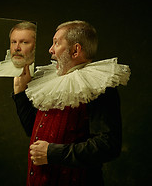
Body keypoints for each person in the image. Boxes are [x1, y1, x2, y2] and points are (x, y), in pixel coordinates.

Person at [12, 20, 130, 186]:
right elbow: (34, 130)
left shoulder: (100, 87)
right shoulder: (53, 81)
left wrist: (53, 153)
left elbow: (108, 145)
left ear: (75, 50)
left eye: (56, 43)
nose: (50, 50)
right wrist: (20, 93)